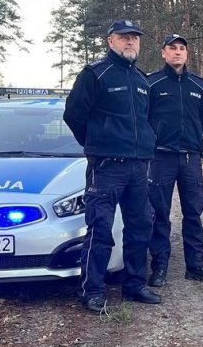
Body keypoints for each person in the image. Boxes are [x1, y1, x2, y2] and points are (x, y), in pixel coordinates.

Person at [63, 19, 161, 313]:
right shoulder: (95, 74)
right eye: (124, 37)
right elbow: (74, 115)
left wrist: (146, 144)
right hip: (106, 168)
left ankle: (134, 285)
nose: (131, 42)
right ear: (111, 41)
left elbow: (148, 120)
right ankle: (92, 290)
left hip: (138, 168)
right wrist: (97, 145)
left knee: (139, 227)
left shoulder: (143, 81)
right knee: (101, 229)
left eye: (135, 38)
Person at [145, 33, 203, 287]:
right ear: (163, 53)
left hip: (190, 159)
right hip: (160, 158)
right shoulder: (151, 84)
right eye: (172, 48)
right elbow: (143, 121)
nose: (177, 53)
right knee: (160, 214)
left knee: (193, 213)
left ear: (187, 54)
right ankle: (160, 266)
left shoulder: (199, 86)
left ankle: (195, 265)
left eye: (182, 49)